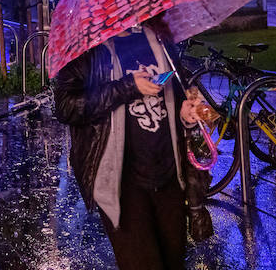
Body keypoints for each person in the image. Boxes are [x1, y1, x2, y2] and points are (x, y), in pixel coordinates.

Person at [53, 15, 210, 270]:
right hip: (122, 185)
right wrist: (128, 87)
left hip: (169, 176)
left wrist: (187, 113)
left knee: (174, 262)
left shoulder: (158, 38)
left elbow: (177, 97)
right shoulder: (88, 50)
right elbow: (65, 107)